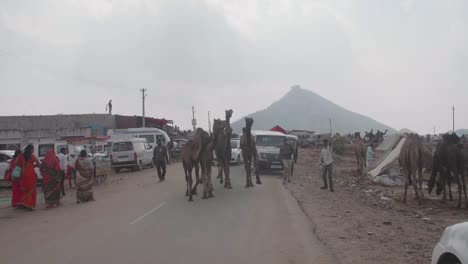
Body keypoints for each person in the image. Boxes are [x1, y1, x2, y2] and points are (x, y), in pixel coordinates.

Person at [15, 145, 40, 210]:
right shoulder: (32, 156)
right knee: (31, 189)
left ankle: (23, 202)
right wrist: (33, 165)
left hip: (23, 175)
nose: (33, 150)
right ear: (30, 149)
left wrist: (23, 165)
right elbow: (38, 164)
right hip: (30, 174)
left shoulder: (21, 156)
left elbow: (16, 163)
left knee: (24, 189)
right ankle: (29, 204)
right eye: (33, 149)